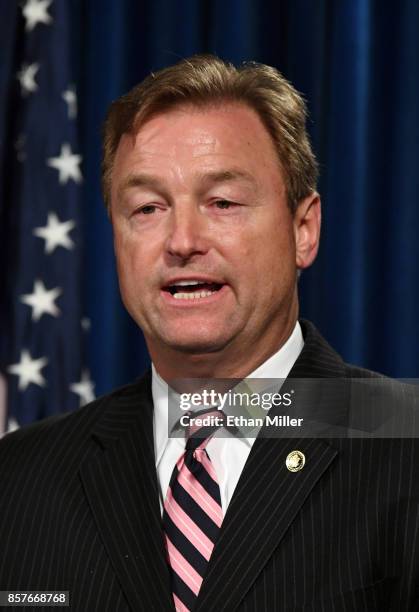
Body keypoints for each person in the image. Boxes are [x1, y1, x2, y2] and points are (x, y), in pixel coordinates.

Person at [0, 55, 418, 612]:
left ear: (303, 229)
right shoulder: (19, 478)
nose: (182, 241)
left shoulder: (404, 443)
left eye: (222, 202)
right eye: (147, 208)